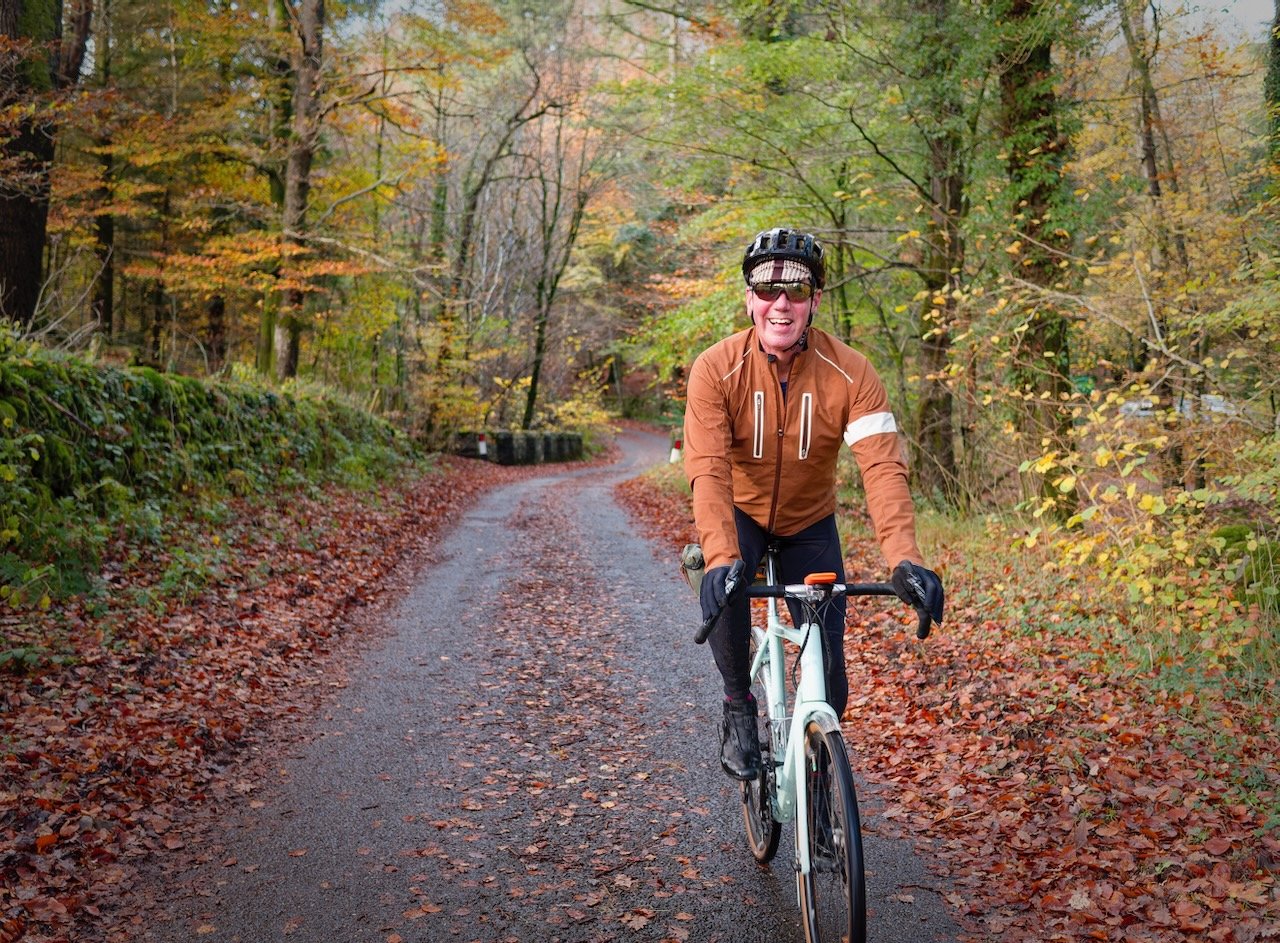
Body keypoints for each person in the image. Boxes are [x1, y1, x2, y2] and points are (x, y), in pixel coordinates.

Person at [682, 227, 945, 781]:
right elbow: (707, 468)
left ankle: (819, 786)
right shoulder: (715, 368)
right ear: (749, 299)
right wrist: (722, 556)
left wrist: (905, 558)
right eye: (767, 290)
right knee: (726, 589)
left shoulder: (853, 372)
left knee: (830, 676)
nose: (781, 304)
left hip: (810, 523)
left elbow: (883, 468)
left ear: (815, 301)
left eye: (796, 291)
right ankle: (738, 706)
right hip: (742, 514)